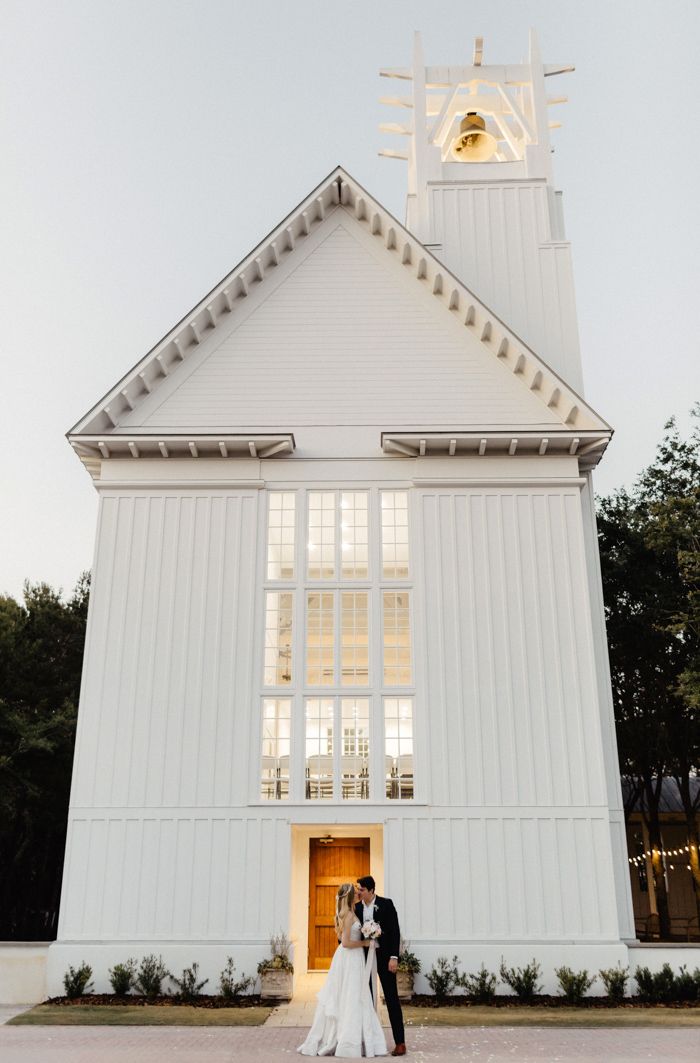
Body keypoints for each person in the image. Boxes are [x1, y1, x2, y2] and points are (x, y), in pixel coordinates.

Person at [298, 882, 388, 1058]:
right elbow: (346, 943)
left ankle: (359, 1038)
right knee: (352, 996)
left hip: (354, 959)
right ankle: (347, 1042)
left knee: (353, 996)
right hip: (350, 958)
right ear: (349, 896)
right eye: (356, 893)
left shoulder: (352, 912)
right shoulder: (347, 915)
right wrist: (365, 942)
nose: (358, 895)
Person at [355, 876, 406, 1057]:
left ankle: (400, 1042)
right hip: (364, 960)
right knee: (366, 1000)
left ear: (370, 890)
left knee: (391, 998)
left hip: (384, 958)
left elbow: (394, 931)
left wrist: (394, 957)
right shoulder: (357, 907)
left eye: (361, 889)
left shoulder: (386, 904)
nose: (358, 892)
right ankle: (368, 1041)